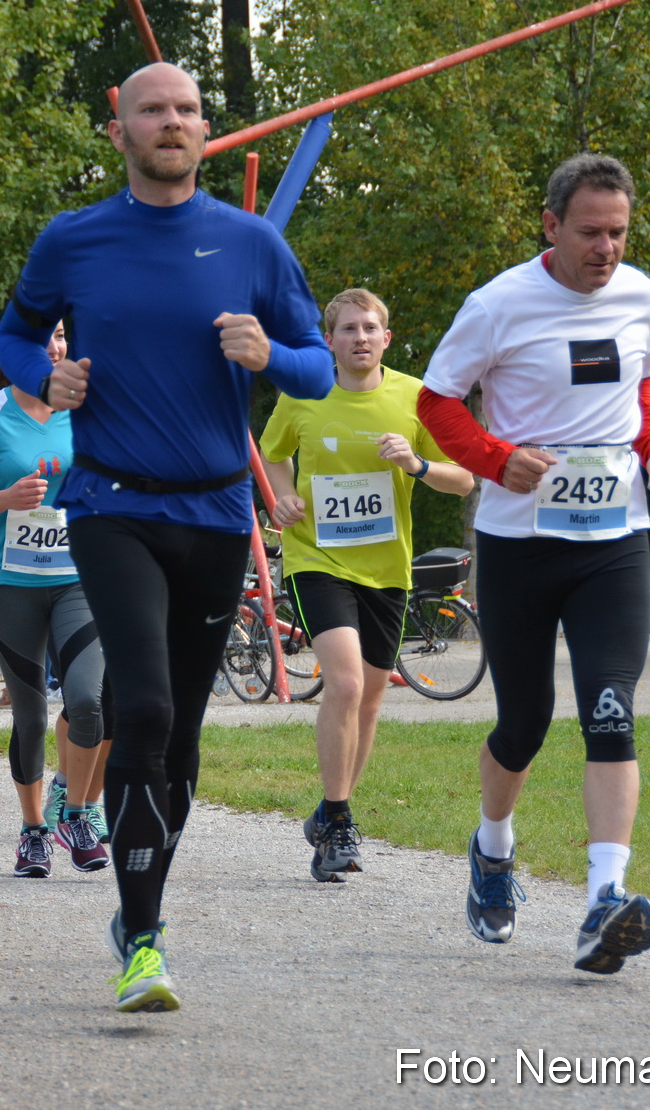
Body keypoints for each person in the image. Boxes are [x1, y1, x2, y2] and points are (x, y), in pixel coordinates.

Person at [0, 62, 335, 1011]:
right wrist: (44, 376)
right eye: (153, 110)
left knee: (181, 731)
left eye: (187, 110)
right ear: (120, 132)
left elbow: (316, 370)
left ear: (204, 130)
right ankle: (143, 941)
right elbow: (15, 335)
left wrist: (271, 353)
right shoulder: (74, 238)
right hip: (112, 506)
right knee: (140, 707)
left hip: (217, 512)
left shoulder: (254, 244)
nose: (172, 122)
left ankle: (135, 906)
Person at [417, 153, 650, 974]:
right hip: (520, 543)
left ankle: (605, 899)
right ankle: (493, 848)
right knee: (525, 720)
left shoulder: (640, 296)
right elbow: (435, 402)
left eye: (619, 232)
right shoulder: (498, 304)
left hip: (614, 541)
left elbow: (640, 394)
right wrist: (497, 460)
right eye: (590, 232)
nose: (607, 249)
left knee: (611, 709)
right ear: (551, 224)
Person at [259, 288, 474, 883]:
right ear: (329, 340)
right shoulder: (303, 393)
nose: (360, 337)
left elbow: (463, 478)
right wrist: (282, 496)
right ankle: (339, 820)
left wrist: (417, 465)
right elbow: (272, 453)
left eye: (370, 328)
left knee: (372, 698)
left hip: (387, 569)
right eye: (349, 329)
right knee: (347, 683)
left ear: (386, 338)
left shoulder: (415, 397)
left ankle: (332, 810)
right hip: (317, 560)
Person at [0, 326, 111, 879]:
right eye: (41, 335)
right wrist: (6, 498)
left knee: (87, 699)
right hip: (12, 583)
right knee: (29, 713)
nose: (53, 346)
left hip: (78, 580)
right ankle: (33, 831)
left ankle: (77, 813)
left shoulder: (89, 408)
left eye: (61, 335)